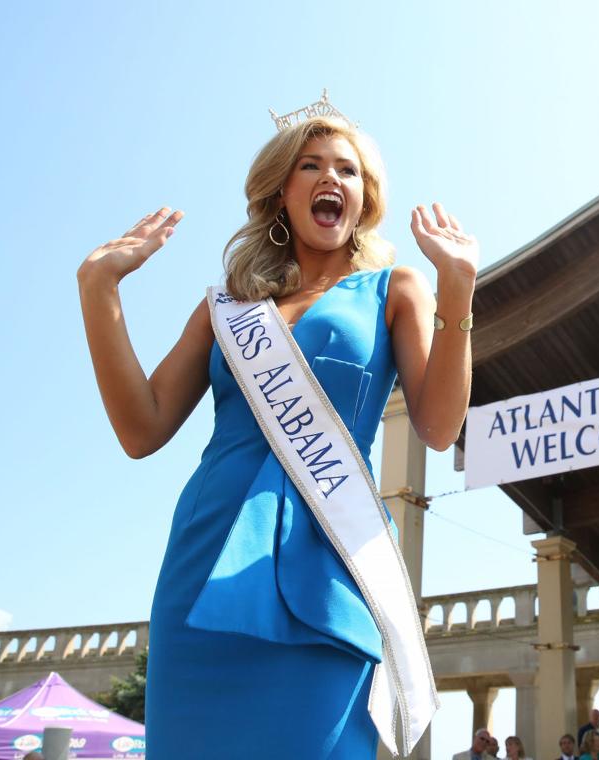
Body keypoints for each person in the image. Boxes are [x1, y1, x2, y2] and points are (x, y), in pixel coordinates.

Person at [78, 109, 477, 759]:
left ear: (364, 195)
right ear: (281, 193)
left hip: (331, 560)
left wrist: (457, 296)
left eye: (348, 169)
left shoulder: (395, 288)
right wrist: (99, 288)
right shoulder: (227, 306)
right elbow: (141, 428)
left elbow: (436, 428)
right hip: (205, 563)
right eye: (312, 165)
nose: (332, 178)